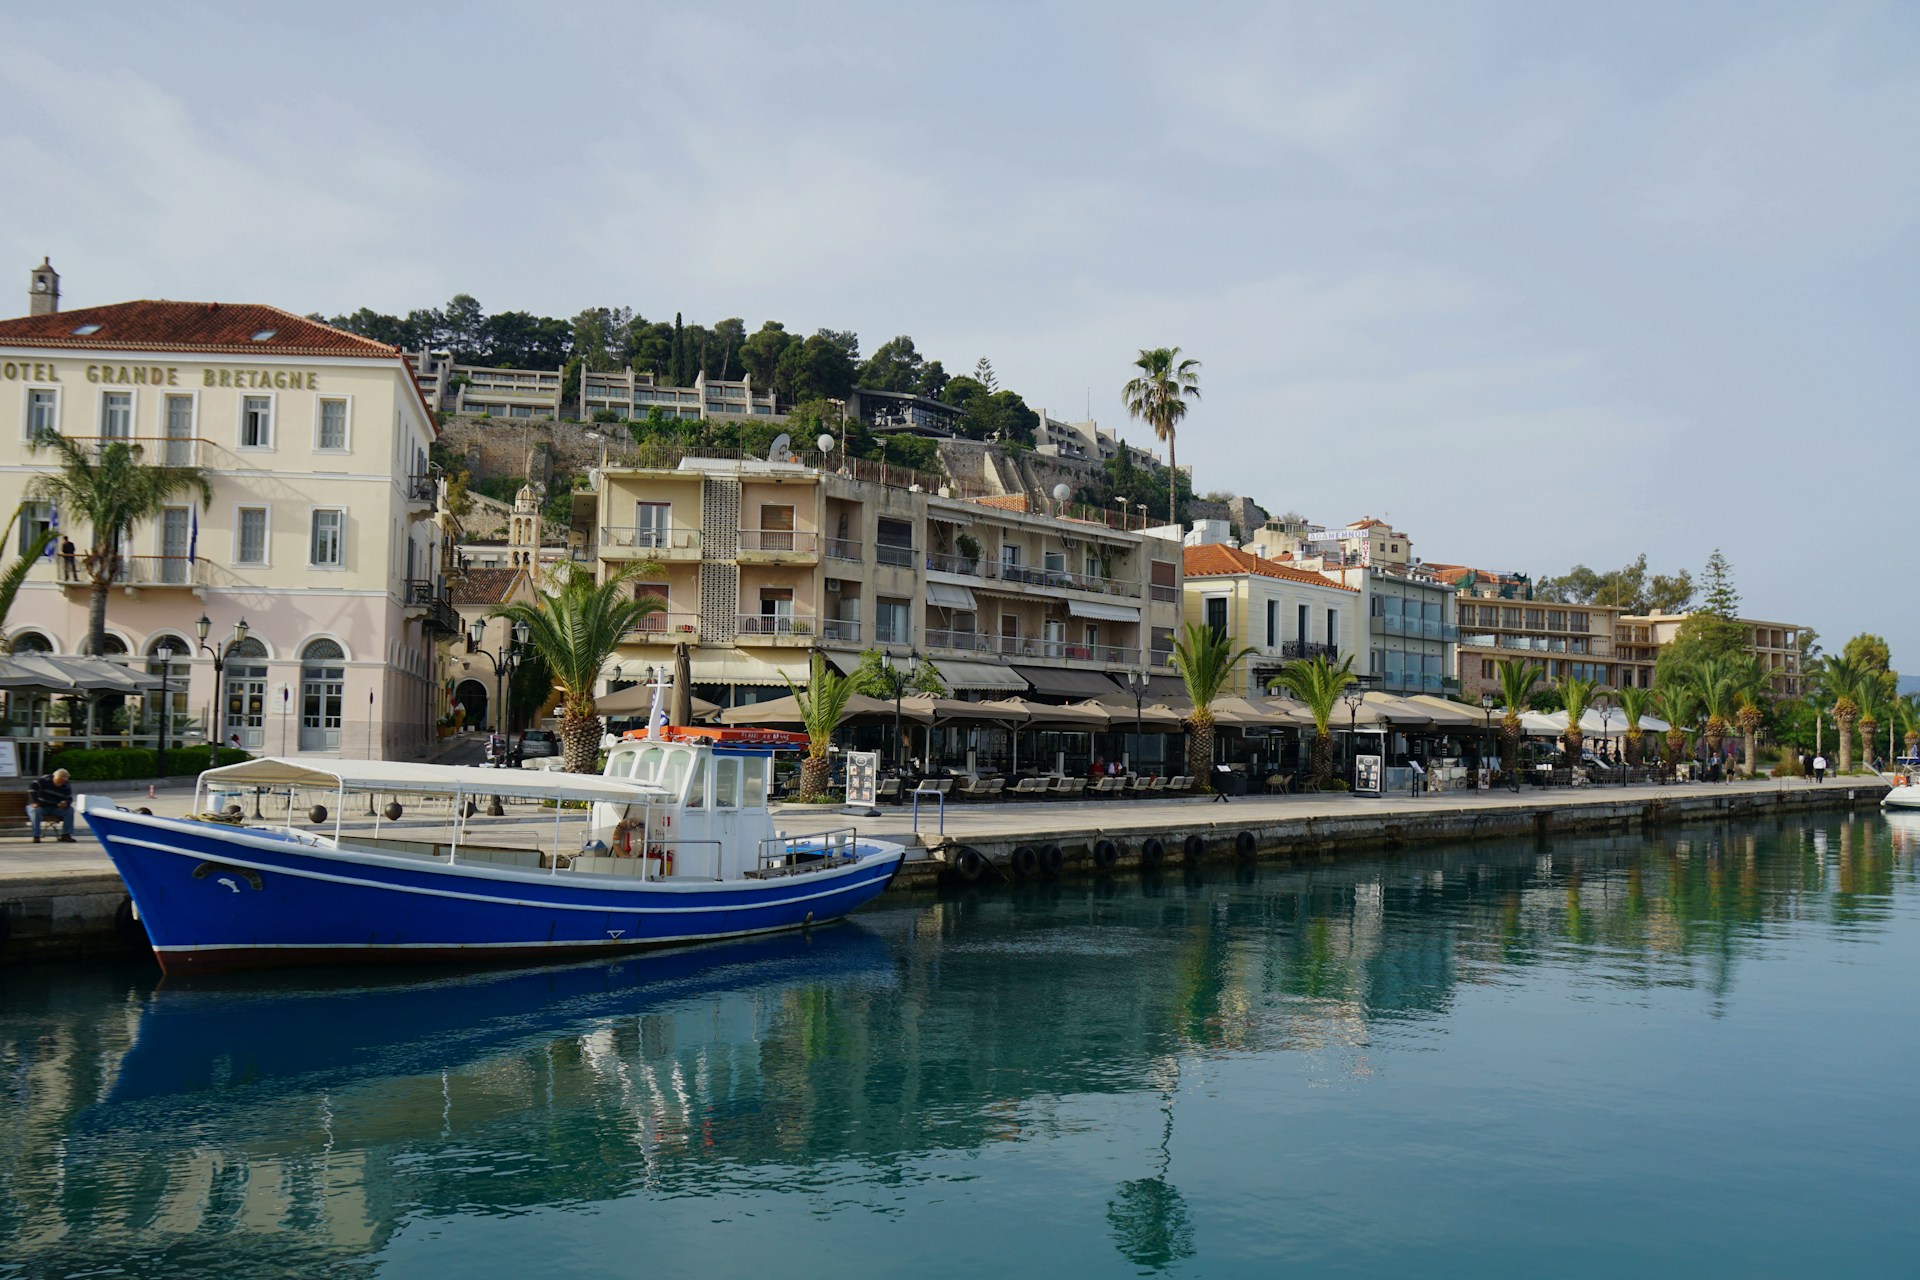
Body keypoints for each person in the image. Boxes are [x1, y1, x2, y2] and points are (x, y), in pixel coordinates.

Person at [29, 768, 76, 843]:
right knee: (35, 811)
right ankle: (36, 836)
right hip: (41, 806)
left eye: (62, 782)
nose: (60, 783)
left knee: (69, 810)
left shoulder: (66, 784)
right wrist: (34, 801)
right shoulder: (44, 780)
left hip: (55, 807)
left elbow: (69, 798)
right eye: (58, 781)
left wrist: (66, 803)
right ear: (54, 776)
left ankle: (66, 834)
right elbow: (32, 787)